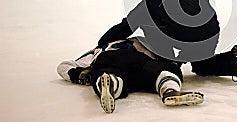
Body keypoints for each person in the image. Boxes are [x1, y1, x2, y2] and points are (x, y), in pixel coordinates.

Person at [58, 0, 237, 113]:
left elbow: (124, 28)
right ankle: (230, 63)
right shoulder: (152, 7)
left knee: (158, 69)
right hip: (209, 29)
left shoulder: (145, 18)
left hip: (187, 29)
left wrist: (96, 53)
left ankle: (110, 83)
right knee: (189, 67)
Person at [57, 37, 204, 113]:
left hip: (113, 61)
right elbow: (172, 60)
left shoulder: (101, 49)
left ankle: (108, 84)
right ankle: (169, 91)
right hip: (142, 64)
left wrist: (80, 75)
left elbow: (63, 66)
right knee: (163, 72)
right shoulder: (148, 44)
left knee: (108, 73)